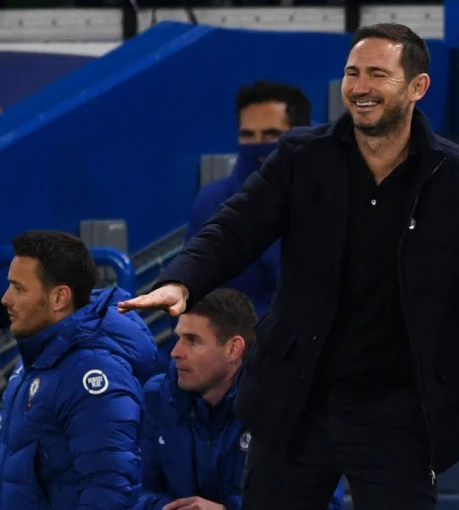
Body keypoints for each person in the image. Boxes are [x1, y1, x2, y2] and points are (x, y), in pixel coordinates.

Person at [119, 22, 459, 510]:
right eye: (352, 72)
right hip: (296, 401)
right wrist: (182, 280)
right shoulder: (301, 157)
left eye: (377, 74)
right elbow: (234, 228)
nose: (360, 87)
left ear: (418, 87)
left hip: (401, 413)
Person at [136, 288, 343, 510]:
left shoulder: (288, 405)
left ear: (233, 349)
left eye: (192, 340)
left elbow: (324, 504)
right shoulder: (157, 397)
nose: (175, 352)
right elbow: (137, 490)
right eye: (179, 338)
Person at [0, 230, 157, 509]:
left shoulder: (94, 372)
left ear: (60, 298)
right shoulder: (36, 357)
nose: (5, 299)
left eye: (19, 289)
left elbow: (109, 490)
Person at [186, 81, 312, 319]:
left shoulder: (331, 197)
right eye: (248, 135)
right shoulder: (212, 202)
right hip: (233, 337)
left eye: (271, 134)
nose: (258, 145)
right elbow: (195, 295)